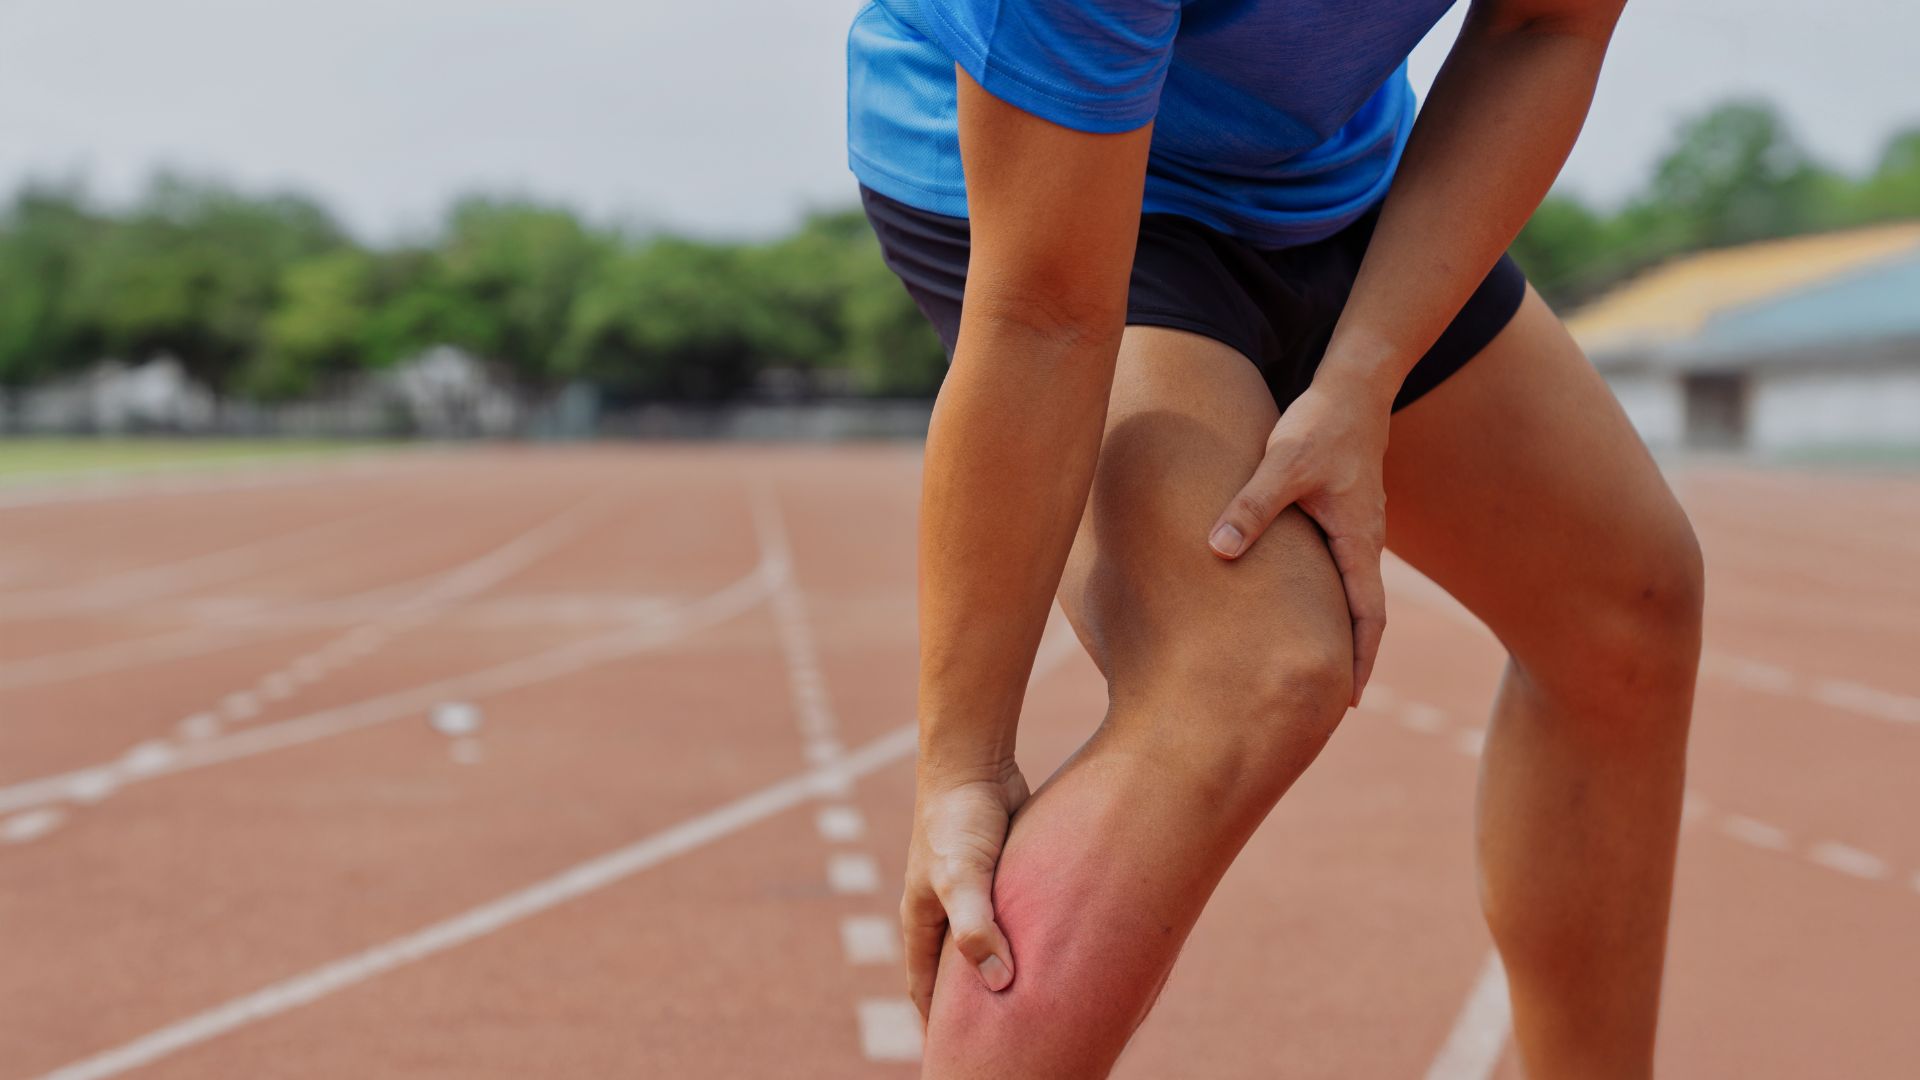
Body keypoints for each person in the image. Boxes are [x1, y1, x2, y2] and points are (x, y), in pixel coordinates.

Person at [845, 0, 1702, 1075]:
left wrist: (1362, 378)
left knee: (1629, 601)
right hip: (1052, 181)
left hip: (1330, 183)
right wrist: (962, 763)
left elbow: (1544, 26)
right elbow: (1047, 317)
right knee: (1246, 663)